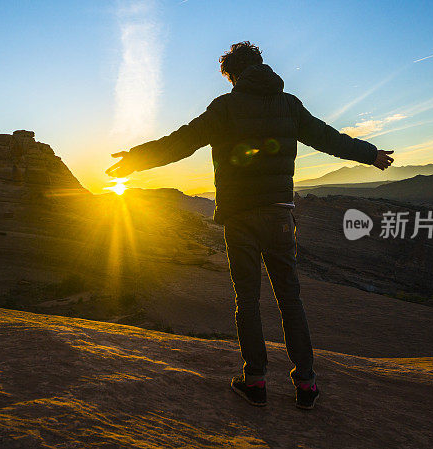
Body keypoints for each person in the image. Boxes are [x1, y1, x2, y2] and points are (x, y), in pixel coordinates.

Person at [106, 41, 394, 409]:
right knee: (291, 299)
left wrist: (135, 159)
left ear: (232, 74)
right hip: (279, 215)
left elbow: (182, 141)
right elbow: (328, 139)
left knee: (248, 300)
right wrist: (370, 154)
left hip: (240, 215)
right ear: (259, 65)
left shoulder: (226, 106)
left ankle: (255, 380)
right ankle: (306, 385)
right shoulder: (289, 104)